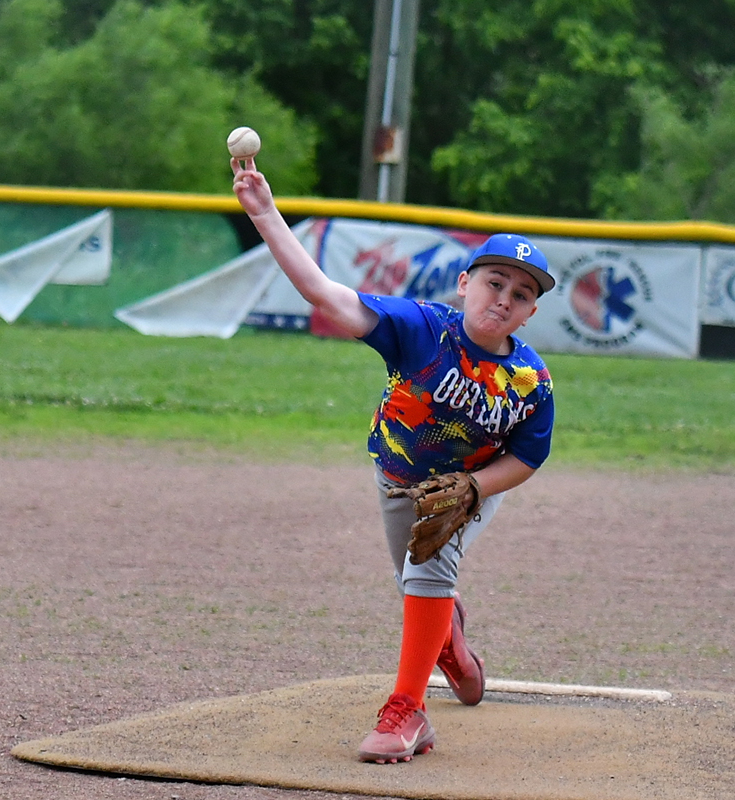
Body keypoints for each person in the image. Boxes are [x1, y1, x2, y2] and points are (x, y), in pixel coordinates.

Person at [231, 155, 556, 764]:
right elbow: (322, 294)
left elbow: (530, 457)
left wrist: (474, 491)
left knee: (427, 571)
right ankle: (452, 648)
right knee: (418, 586)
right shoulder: (419, 329)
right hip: (396, 479)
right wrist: (268, 214)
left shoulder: (530, 380)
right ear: (465, 282)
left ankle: (409, 712)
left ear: (531, 312)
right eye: (495, 282)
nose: (504, 299)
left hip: (473, 486)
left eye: (521, 294)